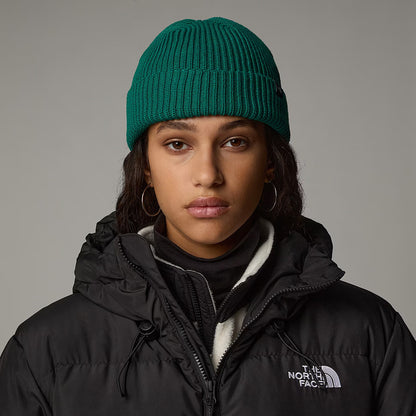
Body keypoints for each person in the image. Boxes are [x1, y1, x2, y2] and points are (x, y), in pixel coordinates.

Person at [0, 16, 415, 416]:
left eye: (235, 142)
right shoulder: (43, 352)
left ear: (270, 161)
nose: (207, 175)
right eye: (177, 144)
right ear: (146, 167)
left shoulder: (372, 335)